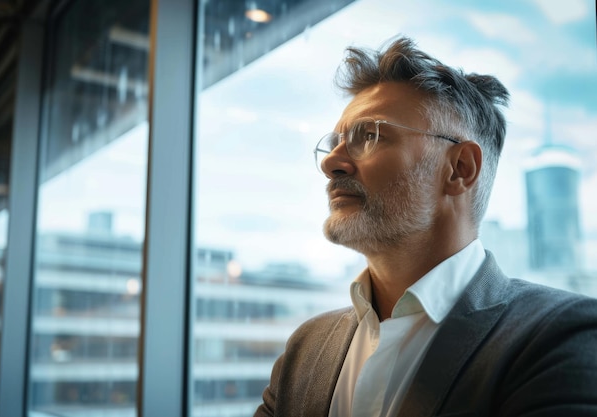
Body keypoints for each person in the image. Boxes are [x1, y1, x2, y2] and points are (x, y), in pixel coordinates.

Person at [254, 36, 597, 417]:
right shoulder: (306, 348)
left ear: (460, 169)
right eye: (333, 143)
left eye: (369, 136)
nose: (330, 163)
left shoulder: (563, 338)